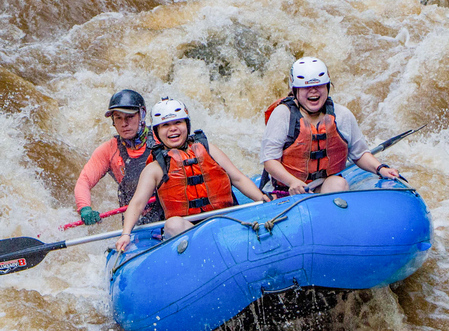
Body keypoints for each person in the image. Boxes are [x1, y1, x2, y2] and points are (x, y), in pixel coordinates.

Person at [115, 98, 271, 252]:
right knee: (172, 224)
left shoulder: (208, 149)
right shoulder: (155, 168)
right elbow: (137, 203)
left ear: (187, 125)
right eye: (165, 125)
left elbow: (238, 178)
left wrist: (262, 199)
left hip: (224, 222)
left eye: (178, 123)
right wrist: (125, 233)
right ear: (156, 131)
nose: (173, 129)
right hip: (189, 231)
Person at [261, 56, 400, 196]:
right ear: (295, 90)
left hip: (323, 186)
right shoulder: (283, 114)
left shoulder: (342, 115)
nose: (313, 91)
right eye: (306, 87)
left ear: (327, 86)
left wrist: (381, 168)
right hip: (287, 190)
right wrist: (292, 182)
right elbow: (270, 160)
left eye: (319, 86)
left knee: (338, 183)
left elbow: (359, 153)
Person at [73, 89, 164, 225]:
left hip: (169, 216)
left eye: (129, 117)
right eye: (118, 118)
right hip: (135, 224)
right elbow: (83, 182)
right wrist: (85, 208)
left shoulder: (162, 138)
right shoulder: (109, 150)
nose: (124, 124)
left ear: (142, 114)